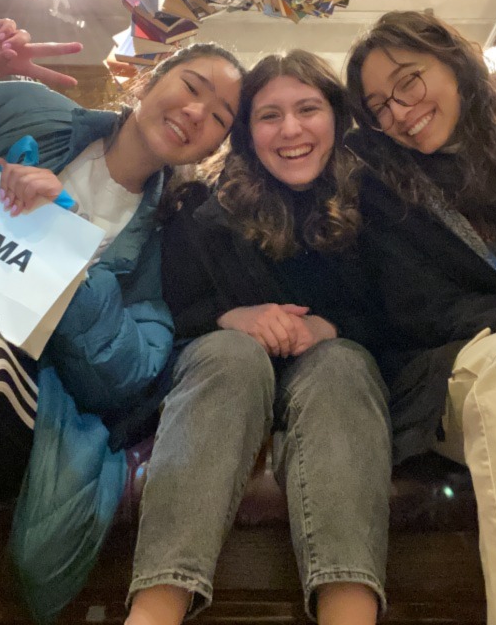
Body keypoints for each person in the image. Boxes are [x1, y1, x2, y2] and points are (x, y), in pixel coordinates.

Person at [0, 19, 244, 620]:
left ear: (215, 147)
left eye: (219, 118)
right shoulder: (26, 108)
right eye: (190, 86)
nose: (196, 113)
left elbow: (125, 375)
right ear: (145, 83)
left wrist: (68, 247)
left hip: (11, 390)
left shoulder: (166, 245)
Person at [126, 50, 392, 625]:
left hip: (334, 379)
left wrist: (326, 326)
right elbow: (171, 308)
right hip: (221, 377)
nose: (291, 130)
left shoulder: (375, 204)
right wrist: (233, 318)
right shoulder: (202, 206)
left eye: (308, 109)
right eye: (269, 115)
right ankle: (152, 615)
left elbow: (402, 313)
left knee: (342, 363)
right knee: (230, 354)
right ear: (247, 132)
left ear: (336, 118)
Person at [345, 9, 496, 625]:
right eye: (379, 105)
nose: (399, 113)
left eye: (408, 82)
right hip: (452, 371)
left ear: (454, 62)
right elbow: (428, 313)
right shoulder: (380, 186)